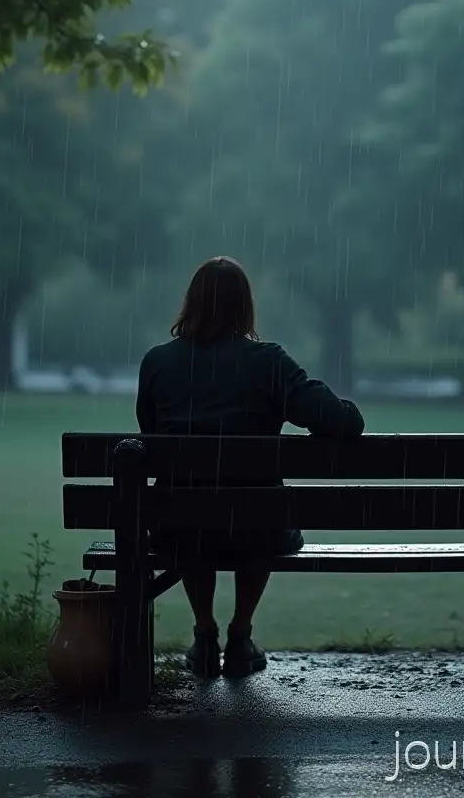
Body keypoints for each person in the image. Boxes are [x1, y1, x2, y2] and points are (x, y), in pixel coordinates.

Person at [136, 256, 365, 680]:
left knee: (194, 511)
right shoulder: (268, 363)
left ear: (192, 303)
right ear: (245, 307)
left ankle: (205, 635)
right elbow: (343, 421)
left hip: (180, 525)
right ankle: (240, 636)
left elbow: (148, 432)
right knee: (258, 511)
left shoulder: (158, 364)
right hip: (256, 525)